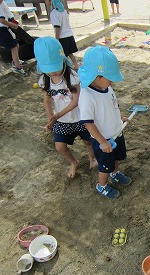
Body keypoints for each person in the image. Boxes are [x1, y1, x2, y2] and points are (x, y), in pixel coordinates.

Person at [34, 37, 96, 178]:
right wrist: (51, 118)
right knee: (60, 147)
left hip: (80, 117)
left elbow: (76, 100)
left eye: (56, 68)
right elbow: (47, 100)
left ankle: (92, 158)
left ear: (63, 60)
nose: (54, 73)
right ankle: (74, 162)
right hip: (62, 120)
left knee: (88, 141)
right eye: (49, 70)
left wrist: (58, 115)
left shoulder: (73, 76)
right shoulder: (45, 80)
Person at [78, 46, 132, 199]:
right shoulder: (87, 96)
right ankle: (102, 186)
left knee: (116, 158)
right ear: (97, 76)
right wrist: (102, 141)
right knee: (105, 165)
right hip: (103, 139)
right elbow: (88, 123)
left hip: (116, 132)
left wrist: (119, 118)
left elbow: (112, 105)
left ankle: (115, 174)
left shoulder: (107, 88)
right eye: (110, 78)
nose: (113, 81)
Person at [50, 0, 79, 70]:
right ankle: (76, 65)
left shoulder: (53, 13)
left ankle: (66, 69)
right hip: (69, 34)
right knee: (70, 53)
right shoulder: (64, 11)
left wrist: (56, 39)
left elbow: (57, 27)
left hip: (62, 37)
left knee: (62, 55)